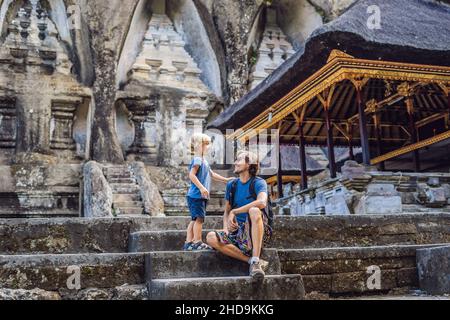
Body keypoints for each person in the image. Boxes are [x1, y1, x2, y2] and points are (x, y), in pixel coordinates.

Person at [207, 151, 270, 280]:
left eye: (239, 160)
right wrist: (225, 229)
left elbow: (262, 202)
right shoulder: (232, 184)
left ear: (248, 164)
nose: (235, 162)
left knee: (254, 210)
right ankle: (251, 261)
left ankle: (256, 259)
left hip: (255, 231)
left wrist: (235, 212)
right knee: (211, 237)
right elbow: (226, 211)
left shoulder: (258, 182)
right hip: (238, 232)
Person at [184, 133, 232, 251]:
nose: (208, 147)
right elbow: (191, 175)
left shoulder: (203, 160)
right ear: (198, 145)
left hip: (196, 195)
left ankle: (189, 242)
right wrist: (201, 187)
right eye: (205, 144)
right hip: (197, 195)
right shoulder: (197, 159)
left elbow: (212, 174)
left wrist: (225, 180)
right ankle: (197, 242)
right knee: (199, 219)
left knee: (194, 219)